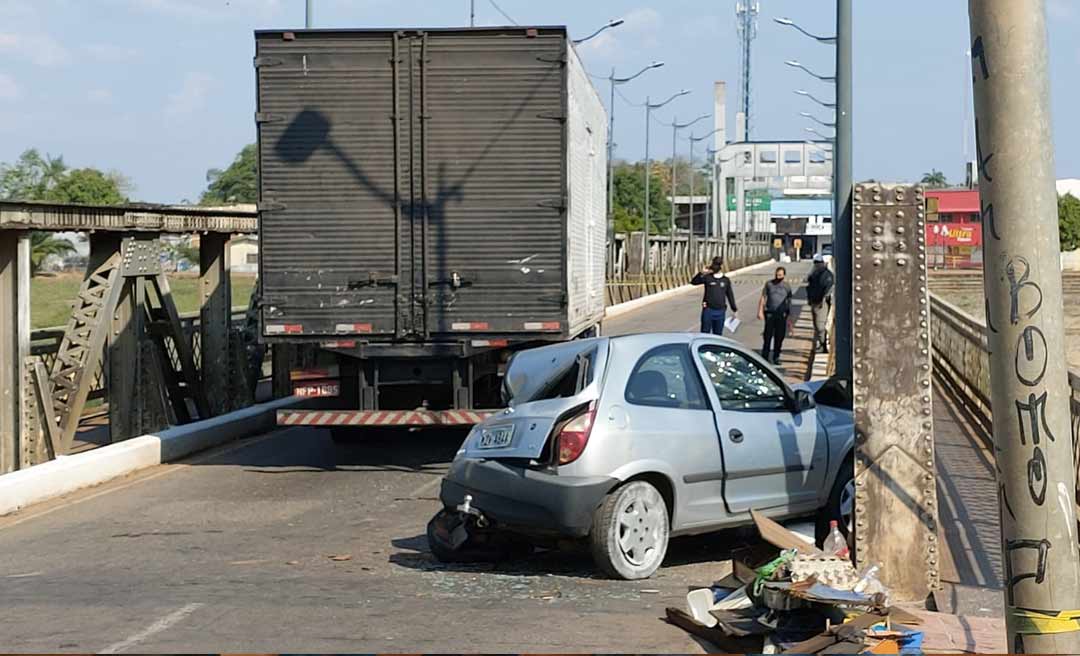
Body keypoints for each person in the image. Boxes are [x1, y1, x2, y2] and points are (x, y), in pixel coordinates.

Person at [691, 256, 738, 334]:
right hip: (708, 310)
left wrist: (734, 309)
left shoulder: (725, 280)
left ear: (721, 266)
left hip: (720, 311)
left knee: (717, 335)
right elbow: (693, 282)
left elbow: (730, 295)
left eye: (717, 264)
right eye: (714, 264)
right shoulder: (707, 278)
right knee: (705, 334)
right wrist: (702, 273)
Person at [757, 266, 793, 365]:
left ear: (784, 275)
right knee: (767, 336)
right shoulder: (769, 284)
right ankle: (765, 356)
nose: (778, 277)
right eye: (777, 275)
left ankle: (776, 356)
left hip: (781, 315)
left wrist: (789, 317)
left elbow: (789, 301)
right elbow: (763, 297)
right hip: (770, 314)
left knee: (779, 336)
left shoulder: (787, 286)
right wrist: (760, 311)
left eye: (780, 275)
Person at [806, 254, 835, 353]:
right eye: (816, 263)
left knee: (820, 325)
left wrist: (822, 300)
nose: (817, 264)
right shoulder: (814, 274)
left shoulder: (827, 275)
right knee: (816, 325)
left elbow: (828, 288)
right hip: (814, 302)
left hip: (821, 303)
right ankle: (822, 343)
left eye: (818, 263)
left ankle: (824, 345)